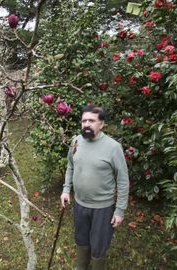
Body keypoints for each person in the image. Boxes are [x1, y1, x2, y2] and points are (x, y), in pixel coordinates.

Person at [60, 104, 129, 270]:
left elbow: (123, 180)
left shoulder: (113, 147)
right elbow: (70, 166)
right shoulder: (76, 141)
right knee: (81, 239)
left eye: (91, 120)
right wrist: (65, 190)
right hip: (80, 204)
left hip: (102, 208)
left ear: (101, 124)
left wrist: (119, 210)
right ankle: (81, 267)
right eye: (84, 121)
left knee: (98, 244)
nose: (86, 124)